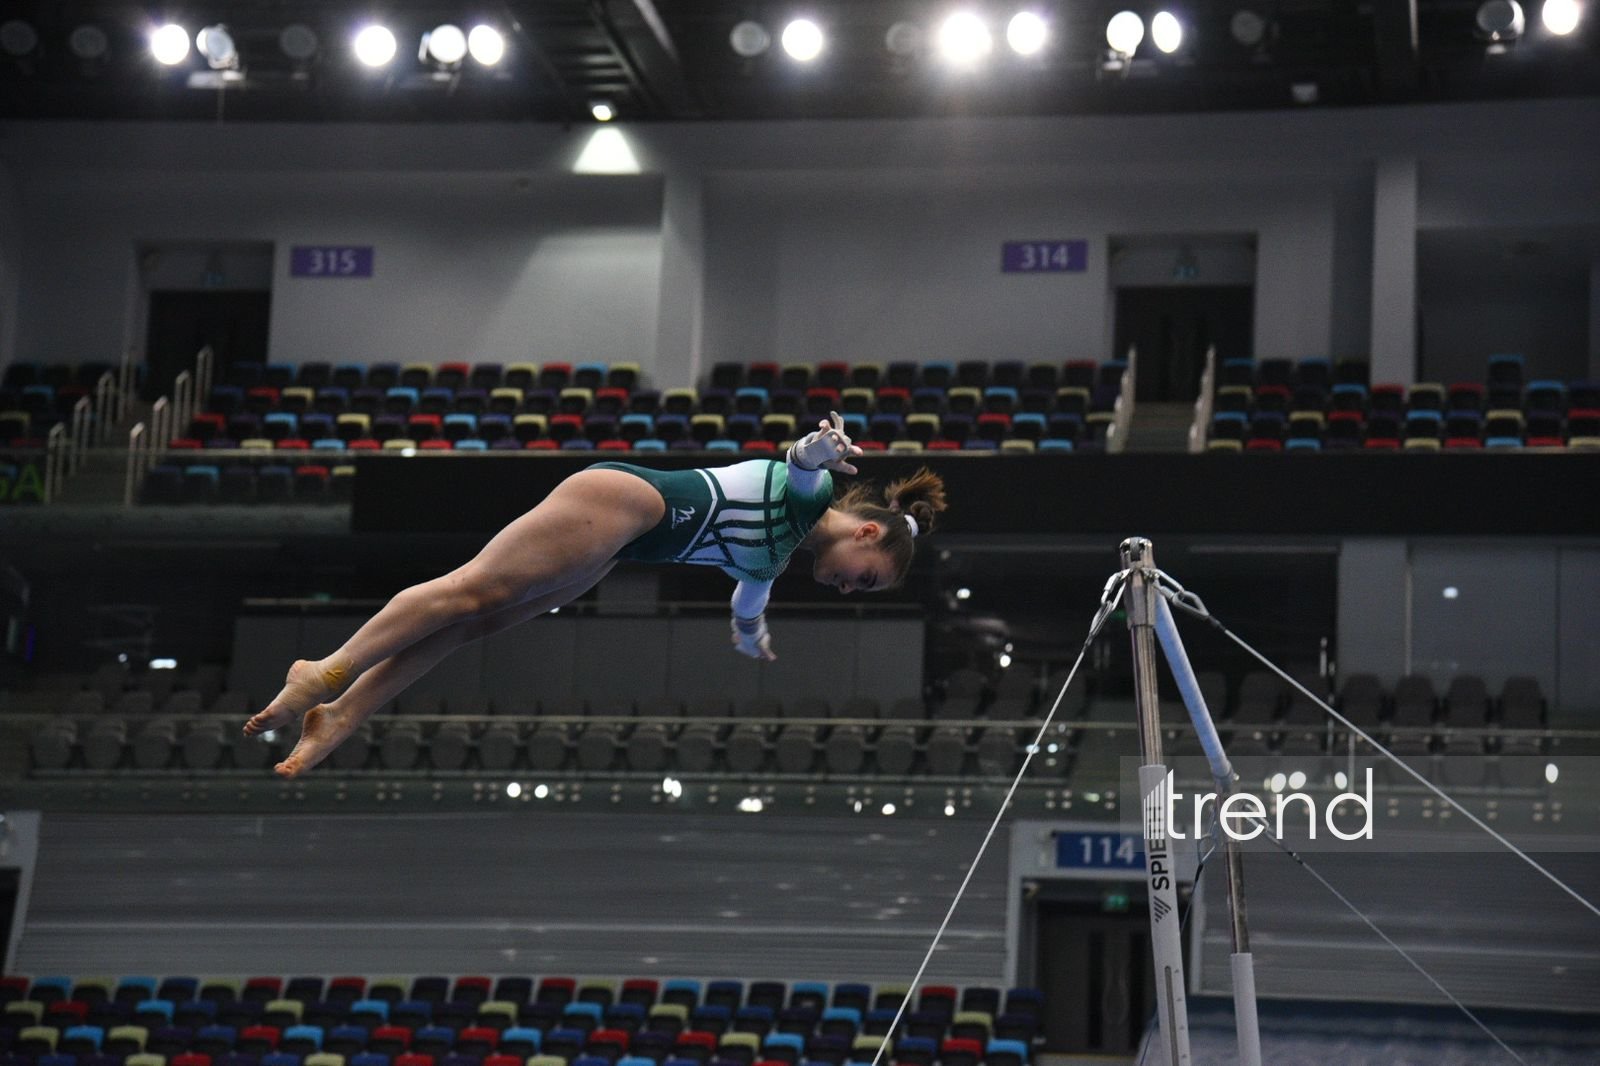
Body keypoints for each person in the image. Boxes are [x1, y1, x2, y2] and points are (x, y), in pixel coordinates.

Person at [242, 412, 948, 778]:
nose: (850, 587)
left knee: (473, 625)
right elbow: (799, 464)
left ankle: (342, 714)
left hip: (618, 546)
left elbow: (746, 600)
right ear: (863, 532)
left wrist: (747, 635)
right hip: (622, 502)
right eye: (866, 575)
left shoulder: (782, 552)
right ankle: (325, 668)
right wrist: (819, 449)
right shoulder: (811, 497)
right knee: (468, 593)